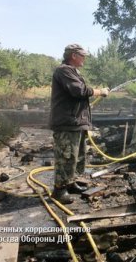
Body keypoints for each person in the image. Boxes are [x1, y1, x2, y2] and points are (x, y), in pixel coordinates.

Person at [49, 43, 109, 204]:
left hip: (76, 123)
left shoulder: (73, 71)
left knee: (77, 156)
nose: (85, 58)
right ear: (73, 56)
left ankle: (70, 183)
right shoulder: (63, 70)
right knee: (66, 156)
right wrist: (99, 91)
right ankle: (59, 190)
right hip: (67, 123)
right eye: (82, 55)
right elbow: (79, 91)